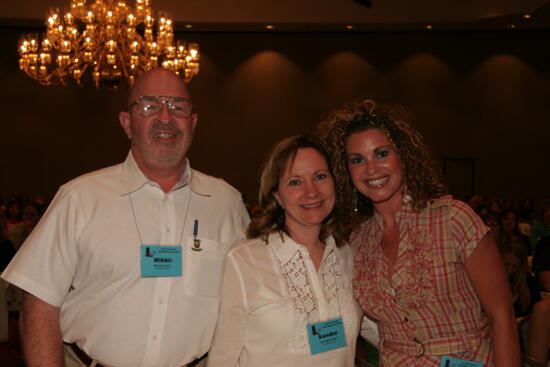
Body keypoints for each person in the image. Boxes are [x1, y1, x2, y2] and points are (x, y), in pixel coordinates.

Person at [1, 68, 250, 367]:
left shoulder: (227, 203)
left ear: (193, 123)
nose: (166, 117)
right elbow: (39, 305)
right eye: (149, 105)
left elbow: (250, 302)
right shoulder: (79, 198)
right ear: (127, 123)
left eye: (178, 107)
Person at [316, 100, 520, 367]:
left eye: (381, 154)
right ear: (346, 171)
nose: (372, 169)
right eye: (357, 159)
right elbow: (348, 322)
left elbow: (502, 316)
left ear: (402, 155)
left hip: (470, 359)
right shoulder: (357, 242)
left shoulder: (454, 219)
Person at [207, 135, 362, 367]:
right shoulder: (244, 260)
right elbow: (223, 358)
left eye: (320, 177)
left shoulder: (345, 254)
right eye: (295, 182)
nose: (312, 191)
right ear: (277, 196)